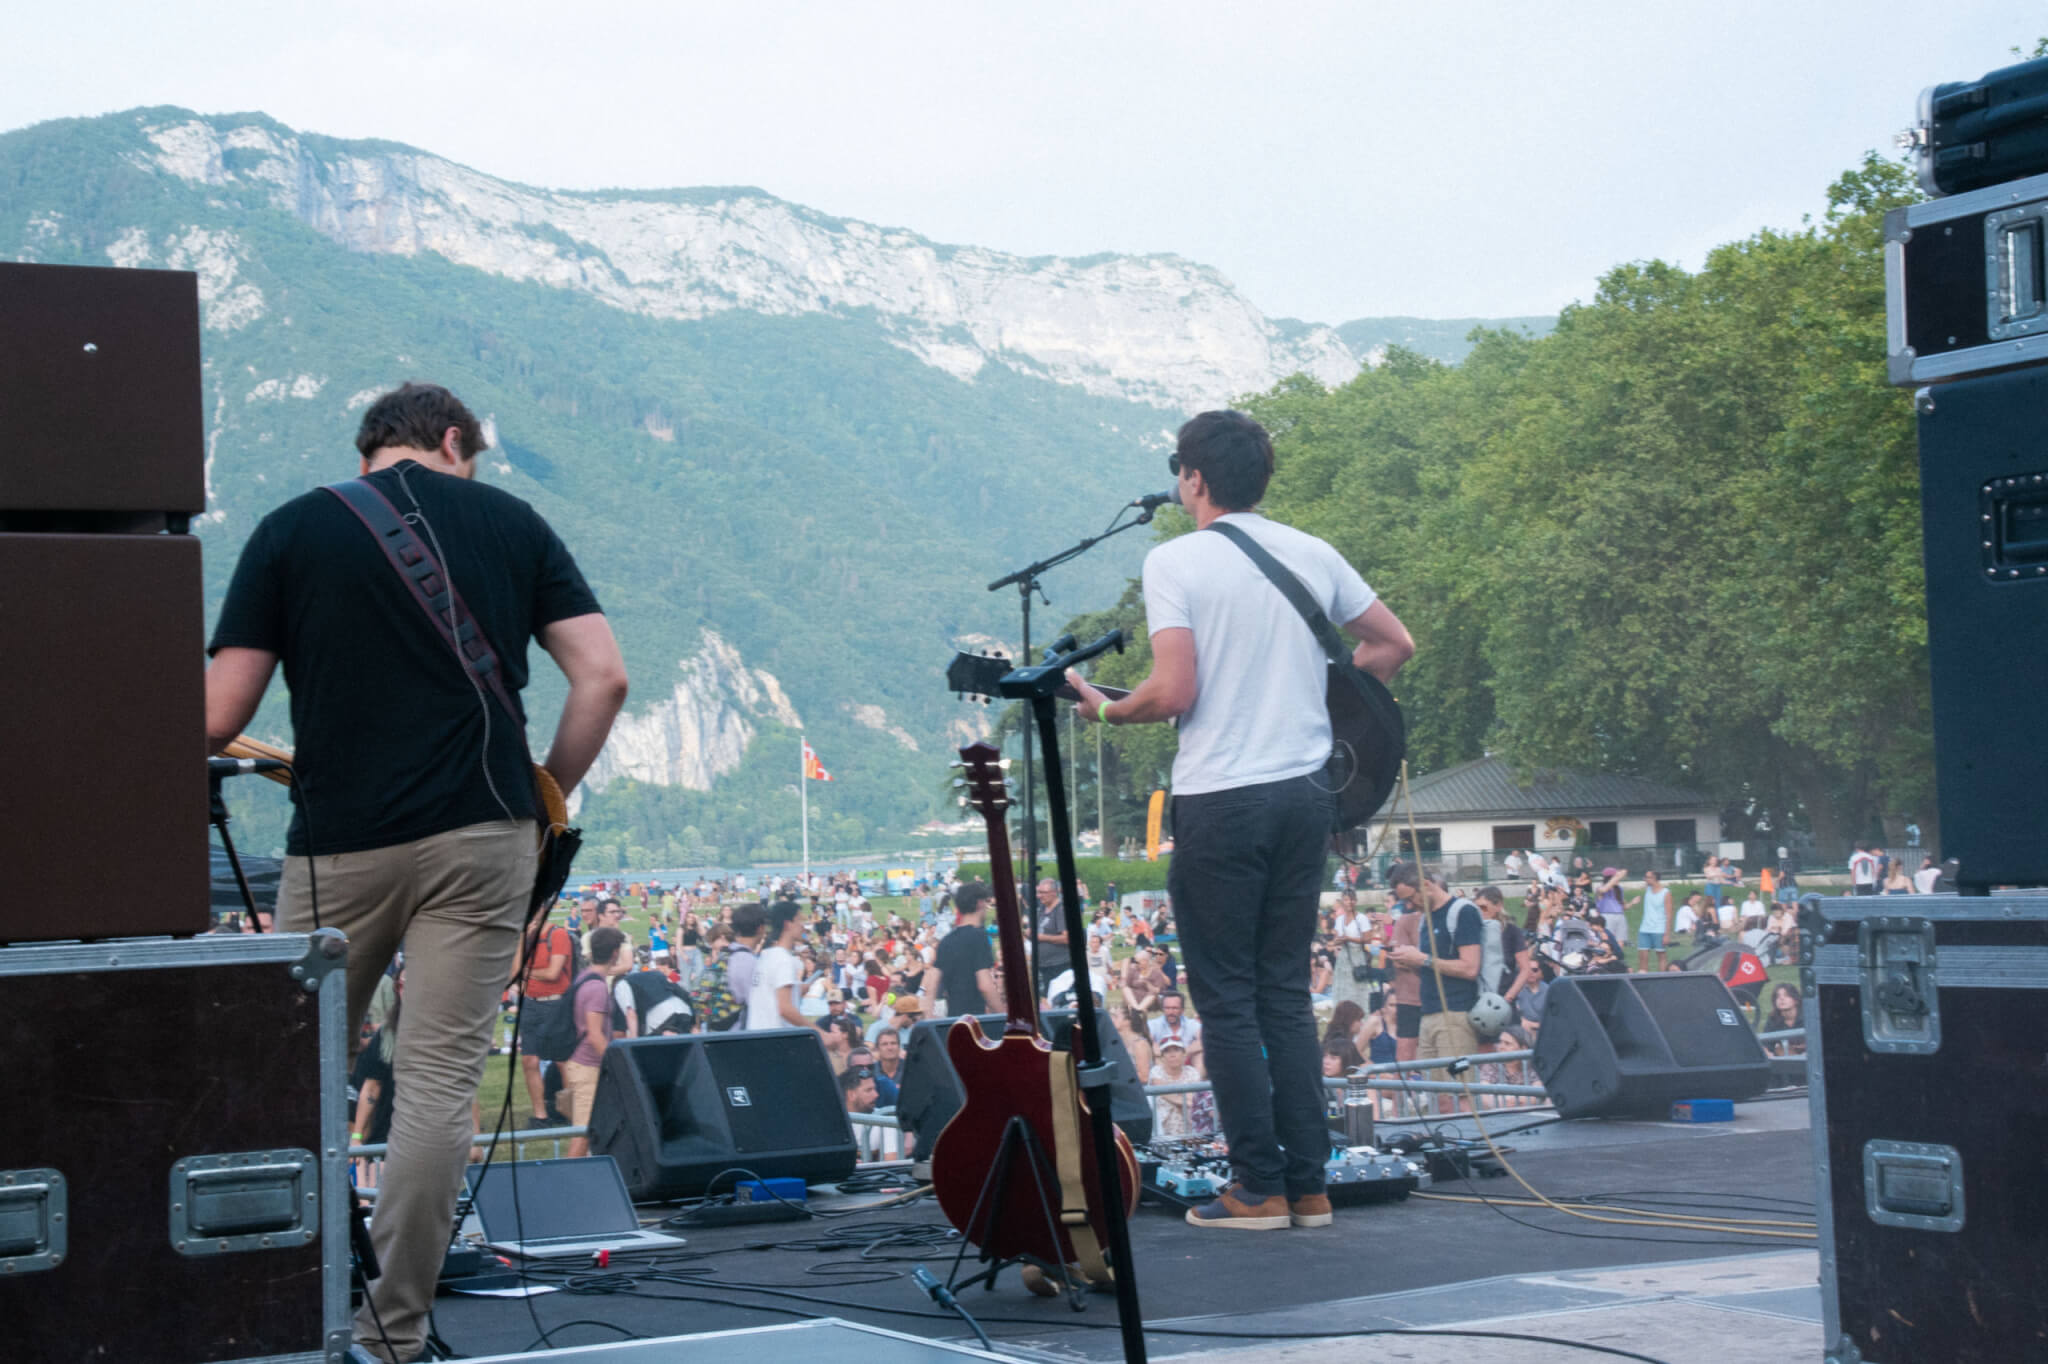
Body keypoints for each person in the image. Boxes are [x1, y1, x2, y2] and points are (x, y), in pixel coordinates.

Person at [203, 382, 627, 1362]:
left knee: (293, 1079)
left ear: (369, 449)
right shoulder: (513, 521)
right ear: (451, 441)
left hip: (338, 839)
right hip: (481, 833)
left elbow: (218, 716)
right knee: (435, 1086)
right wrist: (544, 793)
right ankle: (389, 1334)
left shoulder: (288, 529)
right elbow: (602, 674)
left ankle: (262, 1308)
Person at [1066, 409, 1413, 1231]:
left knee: (1225, 1002)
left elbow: (1174, 691)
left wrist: (1106, 713)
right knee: (1285, 999)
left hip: (1223, 797)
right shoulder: (1311, 551)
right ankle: (1310, 1185)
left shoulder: (1174, 561)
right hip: (1305, 797)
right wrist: (1320, 702)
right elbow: (1391, 646)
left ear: (1191, 477)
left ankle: (1255, 1189)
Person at [1391, 873, 1482, 1111]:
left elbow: (1470, 967)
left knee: (1462, 1092)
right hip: (1428, 1012)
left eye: (1411, 899)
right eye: (1404, 903)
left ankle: (1472, 1141)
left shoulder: (1463, 911)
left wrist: (1423, 959)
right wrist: (1412, 962)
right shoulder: (1425, 919)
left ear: (1426, 885)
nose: (1410, 906)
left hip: (1456, 1013)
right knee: (1436, 1094)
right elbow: (1431, 968)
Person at [563, 926, 630, 1158]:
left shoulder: (585, 977)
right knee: (582, 1134)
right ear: (614, 953)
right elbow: (595, 1035)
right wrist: (617, 1064)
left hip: (583, 1064)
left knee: (589, 1132)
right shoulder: (597, 987)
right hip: (587, 1067)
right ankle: (567, 1185)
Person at [515, 914, 576, 1125]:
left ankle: (570, 1114)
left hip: (556, 1004)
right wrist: (523, 936)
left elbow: (553, 973)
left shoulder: (557, 935)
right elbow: (514, 971)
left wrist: (526, 972)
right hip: (530, 1003)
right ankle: (540, 1115)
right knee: (529, 1061)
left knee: (562, 1061)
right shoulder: (525, 936)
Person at [930, 881, 1001, 1018]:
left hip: (954, 1017)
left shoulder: (946, 940)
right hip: (975, 1018)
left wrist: (928, 1015)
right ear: (980, 903)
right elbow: (984, 985)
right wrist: (1003, 1016)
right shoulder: (979, 936)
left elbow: (932, 982)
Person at [745, 901, 810, 1031]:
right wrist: (818, 1032)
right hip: (775, 1035)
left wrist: (797, 990)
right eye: (798, 921)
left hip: (757, 1032)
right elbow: (785, 1009)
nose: (803, 927)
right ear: (788, 924)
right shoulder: (784, 960)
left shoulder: (766, 956)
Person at [1631, 870, 1672, 972]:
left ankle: (1662, 978)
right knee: (1643, 955)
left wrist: (1667, 934)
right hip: (1645, 928)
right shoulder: (1648, 889)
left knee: (1661, 955)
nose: (1645, 879)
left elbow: (1669, 914)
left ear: (1654, 878)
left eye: (1647, 877)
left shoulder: (1665, 893)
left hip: (1659, 928)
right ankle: (1643, 977)